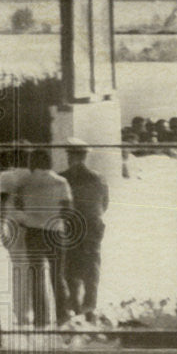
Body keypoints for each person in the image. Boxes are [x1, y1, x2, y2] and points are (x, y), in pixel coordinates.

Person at [15, 149, 72, 327]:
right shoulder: (61, 182)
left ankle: (40, 319)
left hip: (33, 232)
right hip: (55, 231)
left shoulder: (24, 183)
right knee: (58, 275)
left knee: (37, 276)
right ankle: (62, 316)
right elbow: (68, 208)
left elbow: (19, 208)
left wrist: (29, 220)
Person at [59, 138, 109, 322]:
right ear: (85, 156)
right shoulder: (99, 178)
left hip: (71, 224)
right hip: (92, 225)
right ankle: (90, 307)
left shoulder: (62, 178)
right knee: (92, 265)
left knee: (71, 264)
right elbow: (105, 204)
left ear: (71, 156)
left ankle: (75, 305)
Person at [0, 144, 32, 325]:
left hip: (12, 223)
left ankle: (20, 312)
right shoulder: (34, 176)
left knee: (18, 268)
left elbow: (2, 203)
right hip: (32, 224)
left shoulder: (6, 177)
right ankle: (30, 310)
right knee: (32, 268)